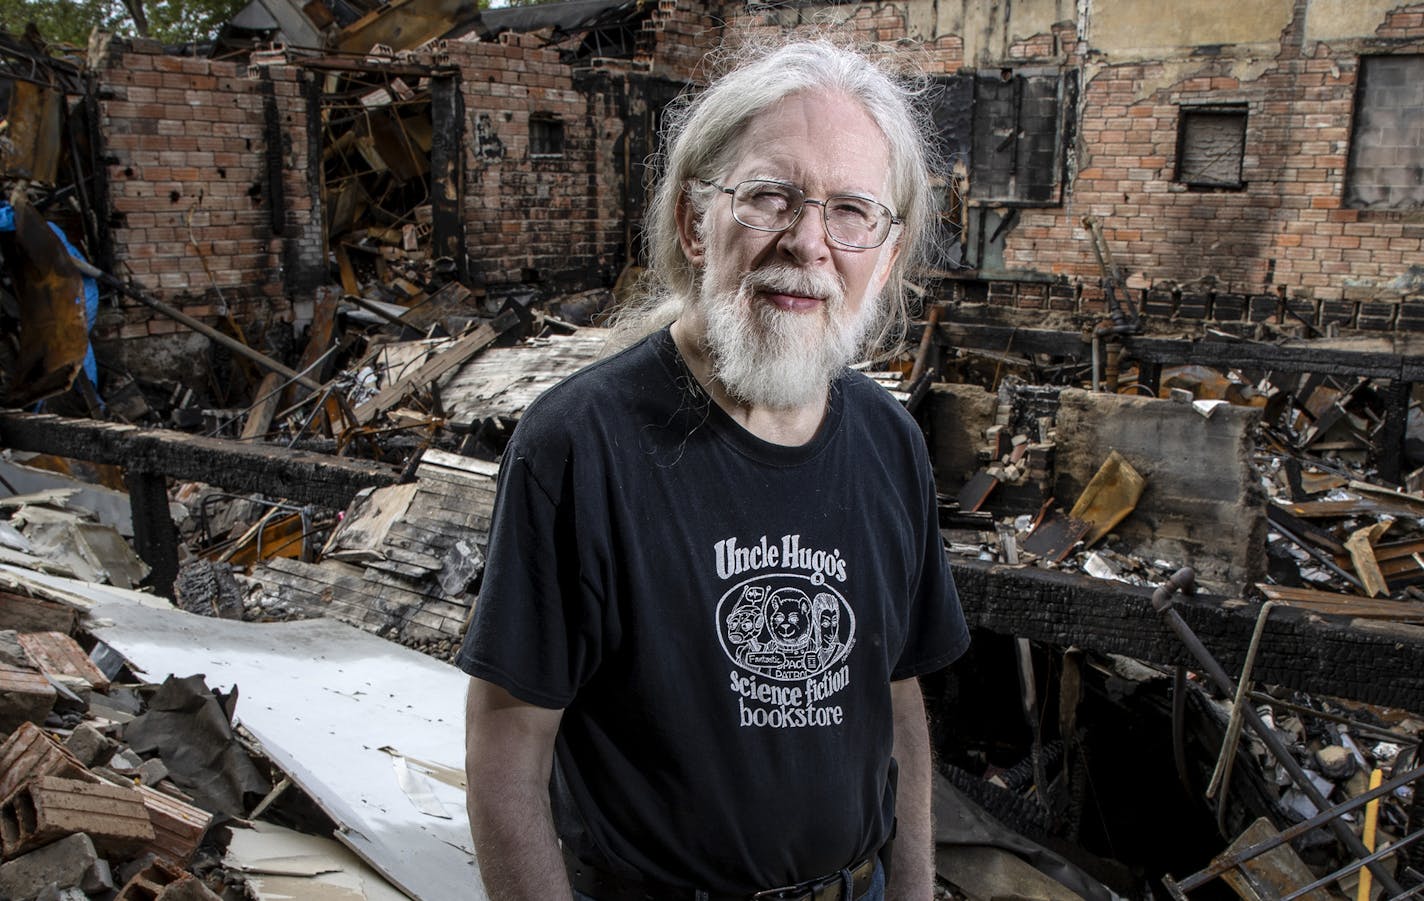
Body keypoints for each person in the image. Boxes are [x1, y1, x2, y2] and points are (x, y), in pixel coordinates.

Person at [459, 38, 970, 901]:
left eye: (852, 211)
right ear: (696, 222)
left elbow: (899, 702)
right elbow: (505, 754)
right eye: (771, 195)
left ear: (887, 254)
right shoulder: (579, 445)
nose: (808, 243)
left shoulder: (891, 442)